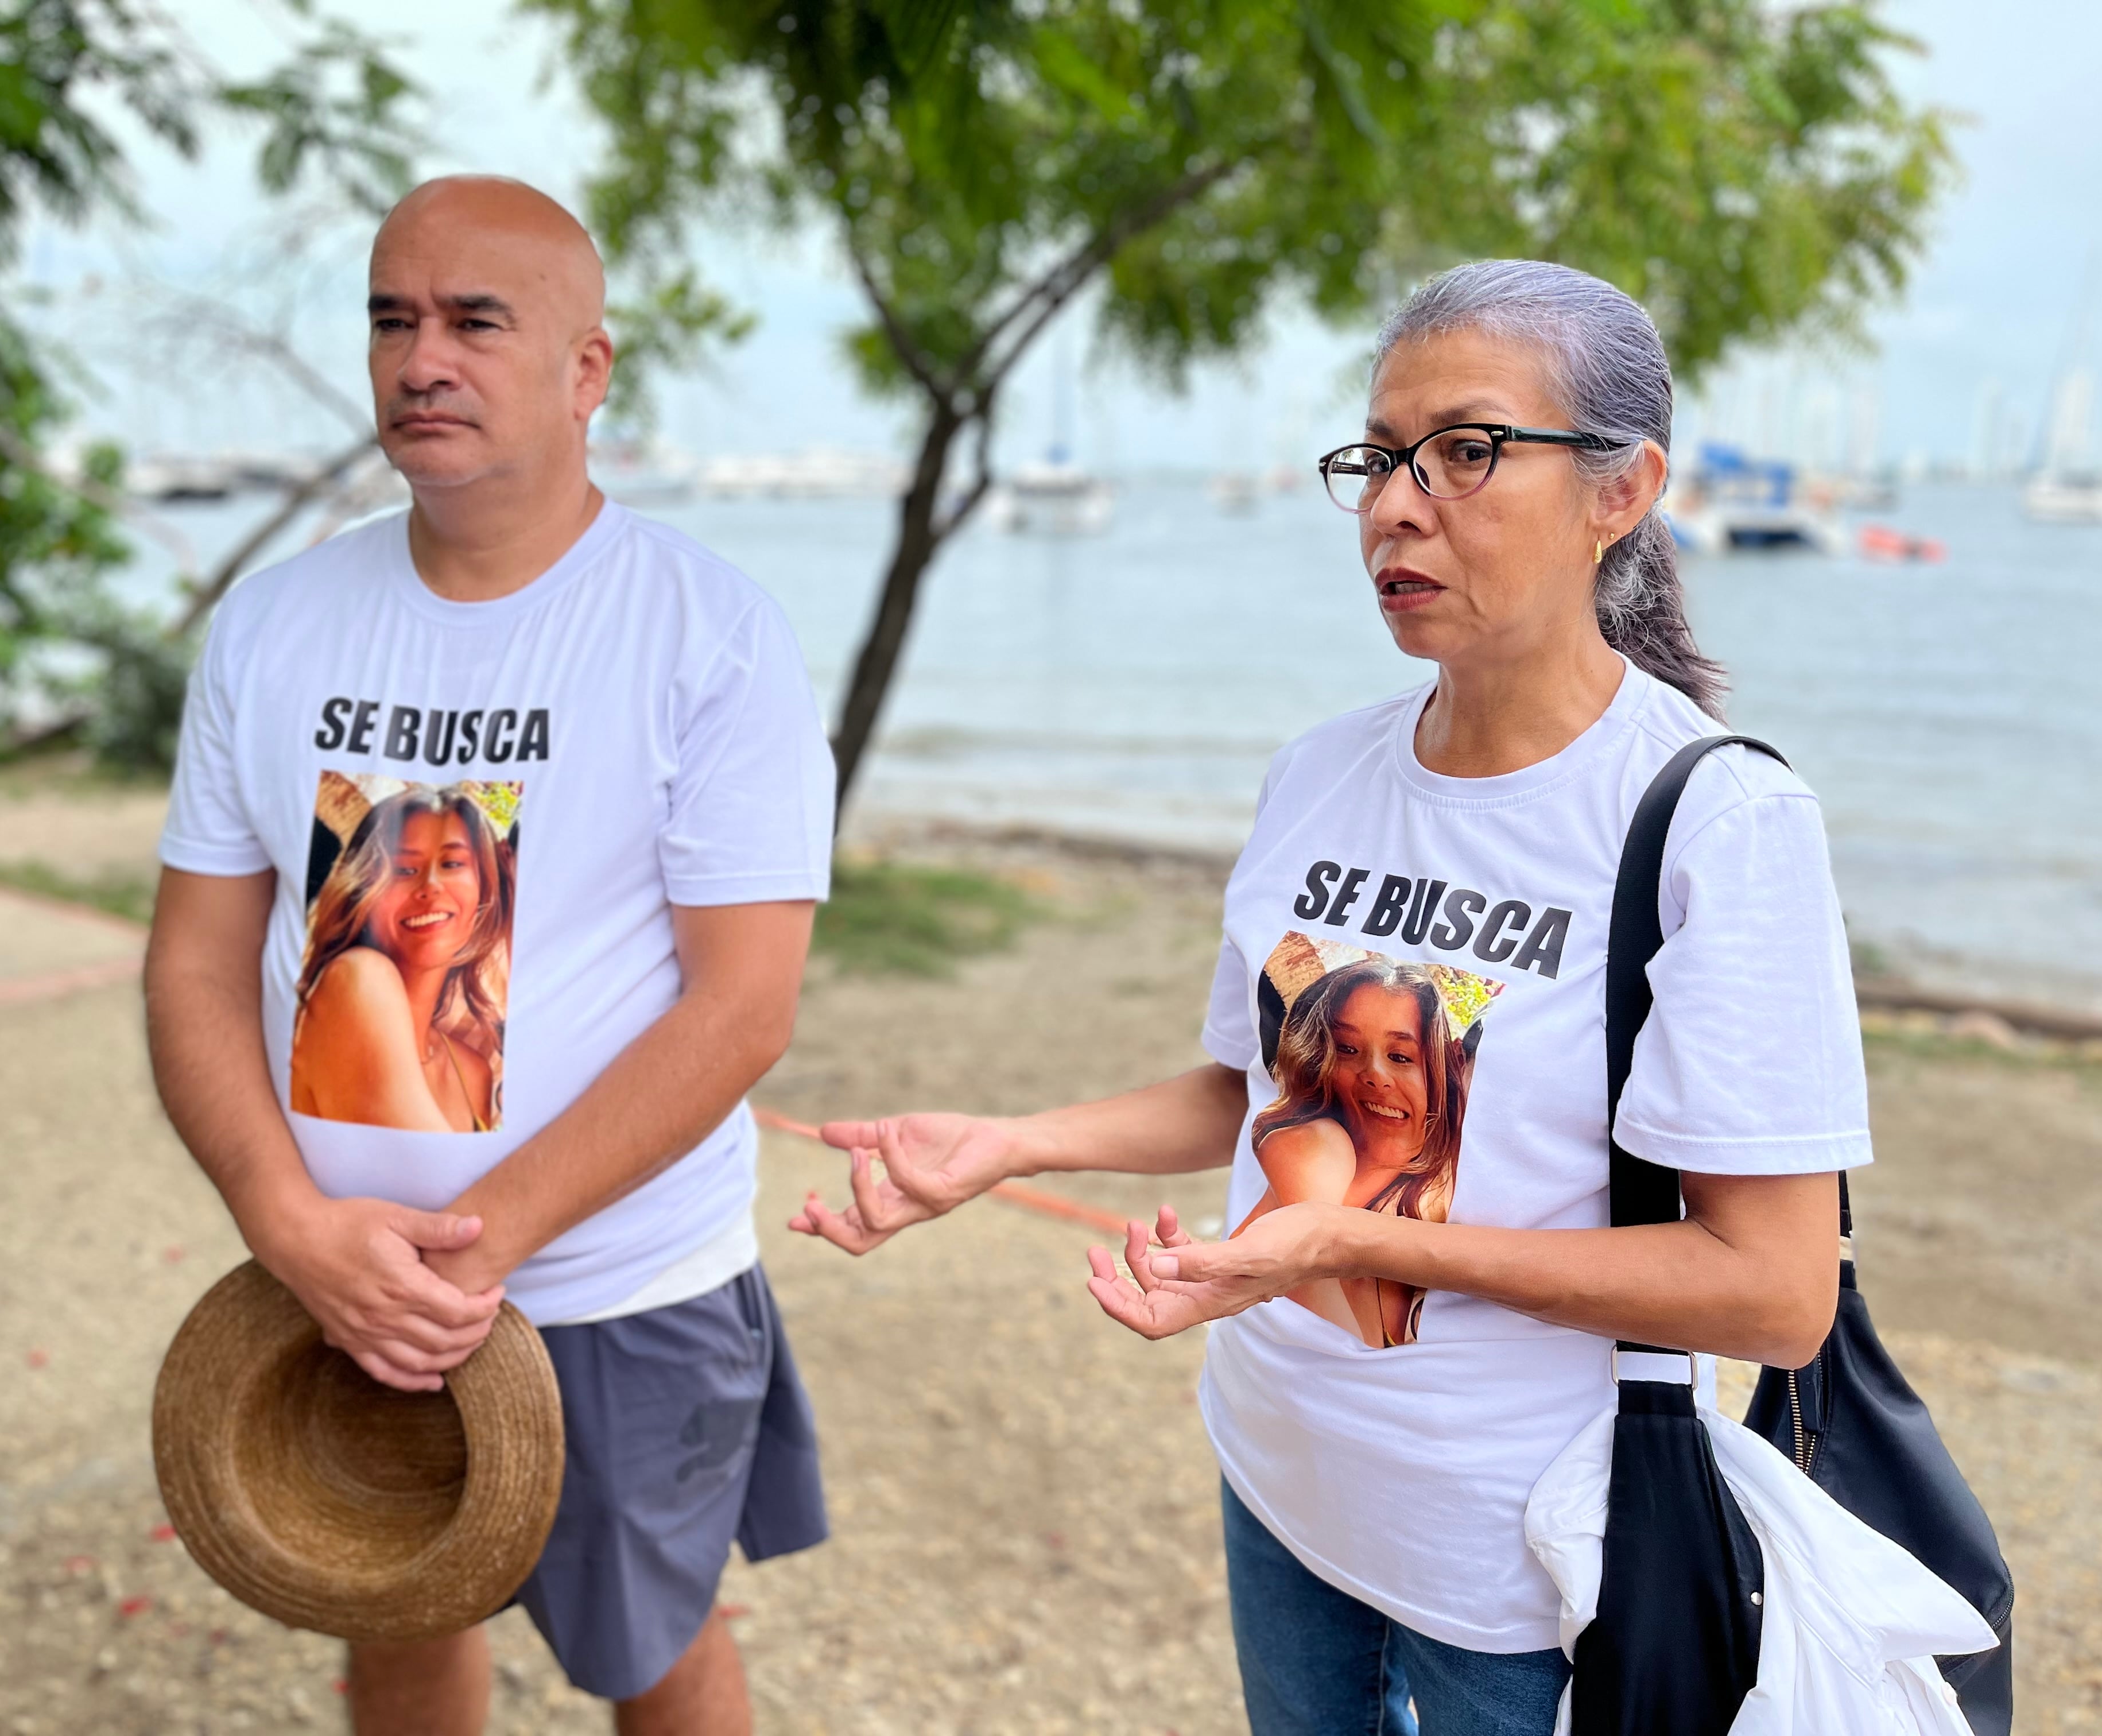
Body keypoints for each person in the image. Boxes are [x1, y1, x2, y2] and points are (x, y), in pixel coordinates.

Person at [790, 259, 1870, 1736]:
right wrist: (1009, 1143)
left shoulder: (1711, 823)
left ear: (1622, 491)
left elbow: (1775, 1292)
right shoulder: (1320, 772)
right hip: (1281, 1487)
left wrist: (1352, 1237)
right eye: (1378, 457)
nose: (1395, 505)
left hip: (1519, 1578)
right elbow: (1251, 1092)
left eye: (1468, 452)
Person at [146, 175, 835, 1736]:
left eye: (474, 321)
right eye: (393, 319)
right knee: (387, 1613)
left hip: (613, 1286)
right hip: (327, 1275)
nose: (420, 360)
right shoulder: (272, 627)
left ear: (589, 371)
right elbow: (194, 964)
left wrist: (480, 1244)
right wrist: (287, 1219)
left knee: (649, 1653)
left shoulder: (704, 632)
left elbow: (745, 1008)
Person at [1239, 958, 1473, 1346]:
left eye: (1400, 1057)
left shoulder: (1446, 1188)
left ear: (1437, 1070)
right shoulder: (1316, 1146)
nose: (1375, 1075)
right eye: (1348, 1049)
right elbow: (1337, 1344)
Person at [290, 784, 515, 1133]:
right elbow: (436, 1176)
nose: (431, 886)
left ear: (485, 890)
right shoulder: (356, 977)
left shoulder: (473, 1071)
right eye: (405, 870)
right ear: (365, 887)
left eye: (453, 864)